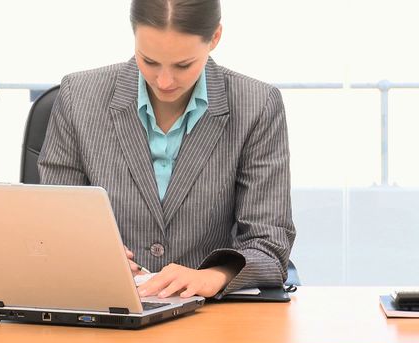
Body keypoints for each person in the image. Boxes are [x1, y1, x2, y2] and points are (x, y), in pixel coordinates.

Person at [38, 0, 295, 299]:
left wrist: (215, 275)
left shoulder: (257, 105)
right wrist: (88, 253)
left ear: (214, 38)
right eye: (148, 61)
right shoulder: (77, 97)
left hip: (209, 317)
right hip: (105, 305)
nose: (163, 81)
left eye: (183, 65)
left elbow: (269, 244)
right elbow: (55, 226)